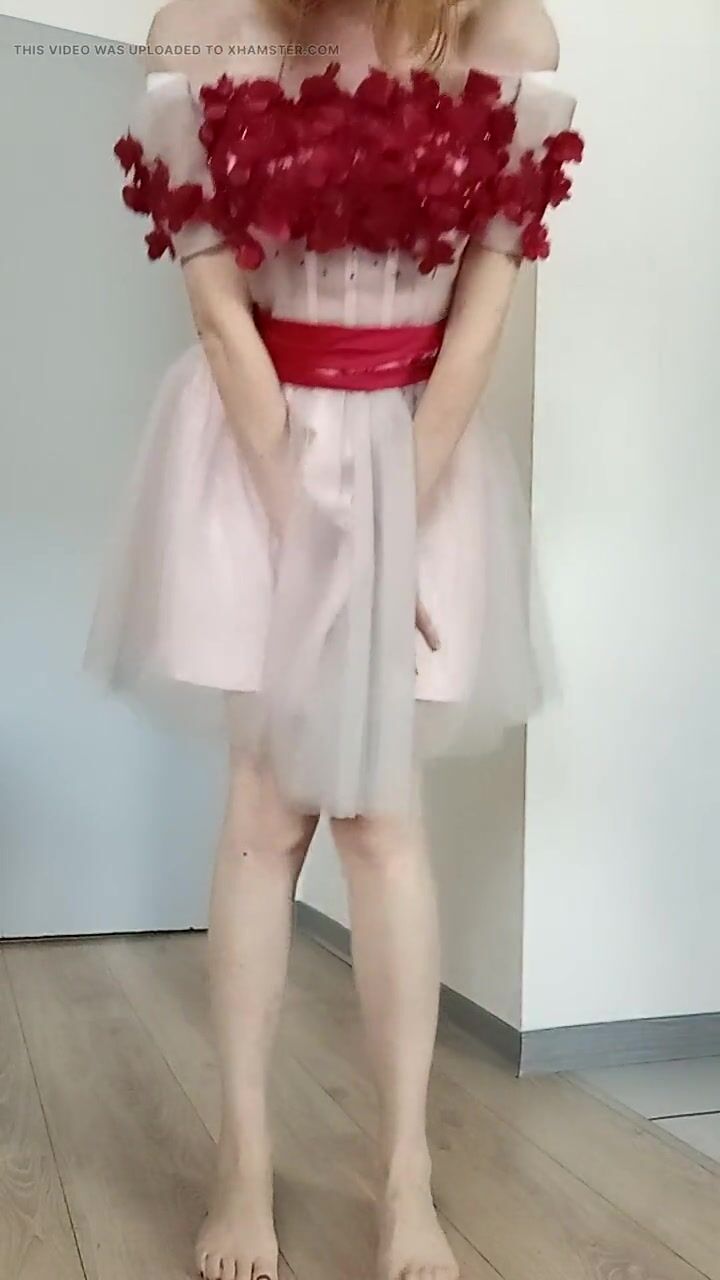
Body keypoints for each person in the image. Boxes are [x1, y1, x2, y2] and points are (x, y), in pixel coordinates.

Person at [86, 0, 582, 1275]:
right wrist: (312, 527)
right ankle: (243, 1162)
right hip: (254, 450)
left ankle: (405, 1174)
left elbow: (482, 318)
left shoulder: (507, 38)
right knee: (265, 809)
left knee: (380, 817)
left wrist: (392, 533)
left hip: (423, 451)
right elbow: (217, 313)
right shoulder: (202, 29)